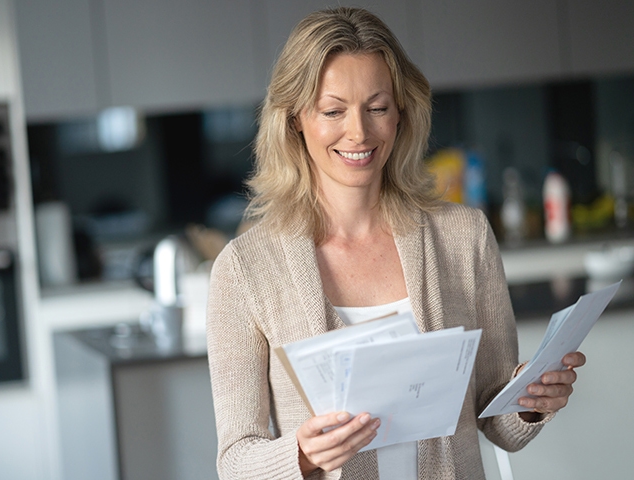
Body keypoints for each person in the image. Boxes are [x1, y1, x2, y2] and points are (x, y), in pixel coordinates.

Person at [206, 6, 584, 480]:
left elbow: (496, 420)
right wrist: (301, 456)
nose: (359, 132)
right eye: (333, 111)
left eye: (377, 107)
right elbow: (236, 460)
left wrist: (529, 402)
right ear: (296, 117)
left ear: (402, 112)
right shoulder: (245, 269)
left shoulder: (464, 237)